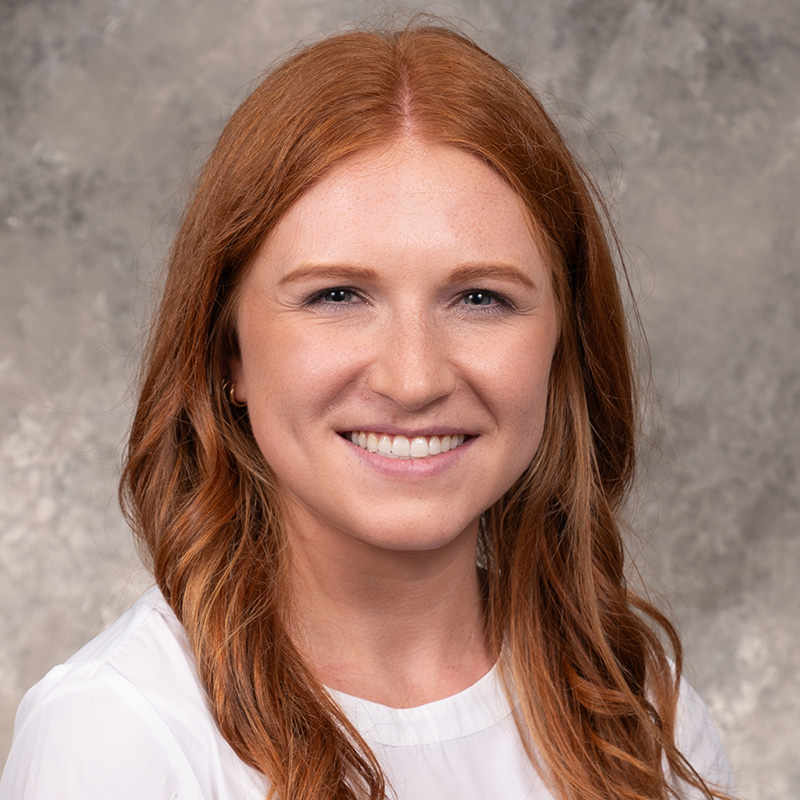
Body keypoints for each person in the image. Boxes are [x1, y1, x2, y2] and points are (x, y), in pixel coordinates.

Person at [0, 21, 734, 800]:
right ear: (227, 353)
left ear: (564, 348)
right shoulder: (119, 737)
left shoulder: (644, 715)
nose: (413, 378)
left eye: (481, 297)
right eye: (337, 296)